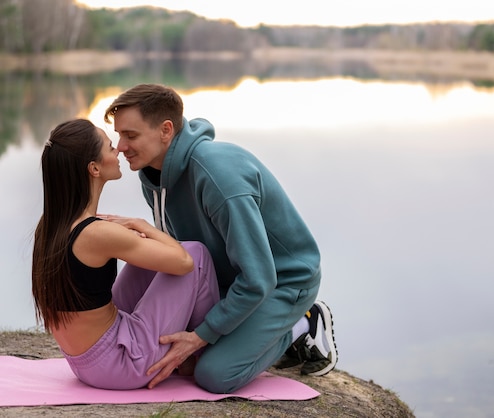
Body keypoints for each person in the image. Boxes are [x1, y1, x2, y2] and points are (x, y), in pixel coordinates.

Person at [103, 83, 338, 394]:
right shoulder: (154, 176)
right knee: (156, 349)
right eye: (119, 135)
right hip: (225, 276)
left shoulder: (219, 176)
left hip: (280, 282)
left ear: (165, 130)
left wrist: (201, 335)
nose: (120, 146)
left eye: (130, 135)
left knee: (214, 374)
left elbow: (259, 278)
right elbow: (183, 252)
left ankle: (301, 324)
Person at [31, 118, 220, 390]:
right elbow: (184, 262)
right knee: (197, 254)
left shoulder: (52, 225)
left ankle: (188, 348)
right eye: (109, 147)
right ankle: (199, 352)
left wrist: (138, 234)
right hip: (121, 365)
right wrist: (142, 225)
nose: (118, 150)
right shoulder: (96, 233)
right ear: (94, 168)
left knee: (147, 259)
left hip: (85, 363)